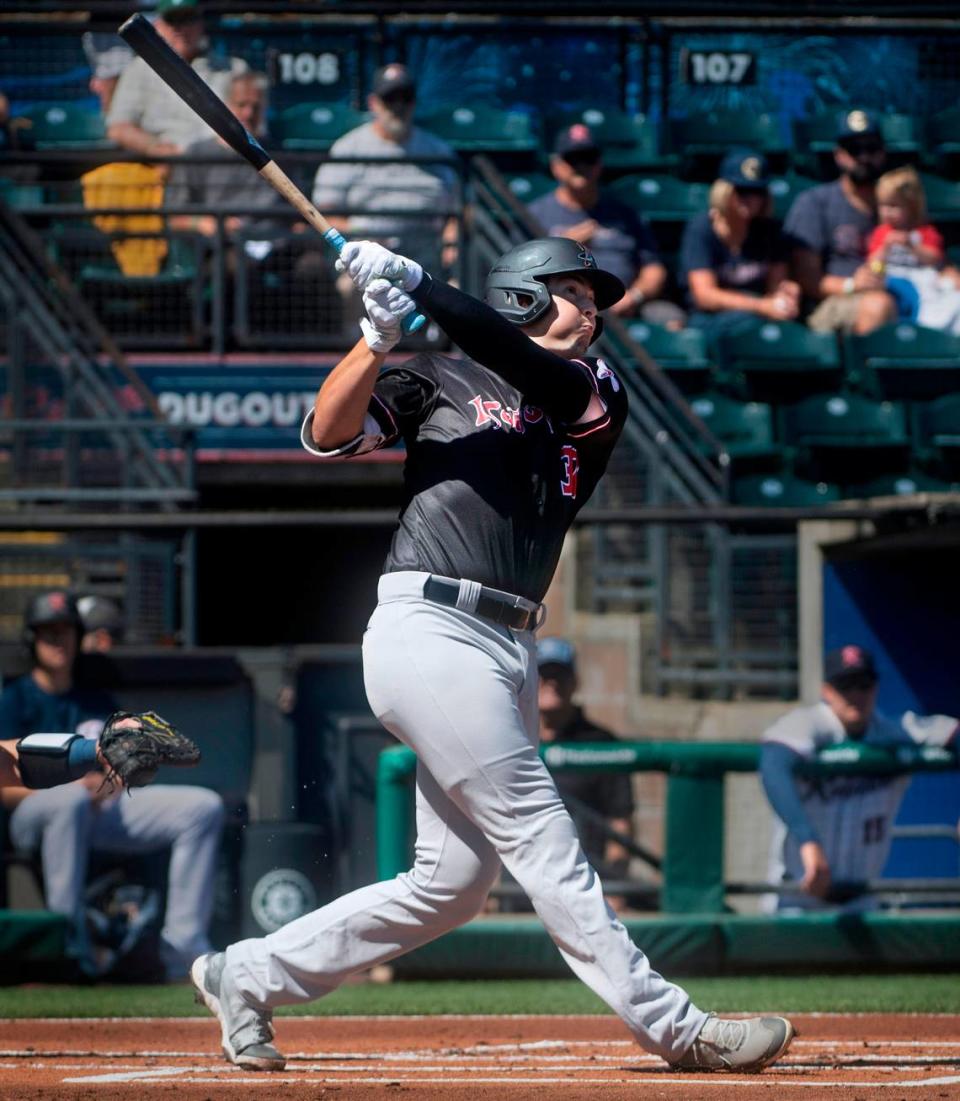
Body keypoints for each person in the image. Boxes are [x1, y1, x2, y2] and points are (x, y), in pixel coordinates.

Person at [189, 235, 794, 1074]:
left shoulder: (591, 388)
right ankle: (676, 1026)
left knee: (452, 885)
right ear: (523, 295)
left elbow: (524, 369)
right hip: (429, 627)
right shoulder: (438, 375)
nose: (594, 310)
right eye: (576, 292)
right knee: (541, 832)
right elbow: (325, 436)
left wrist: (424, 285)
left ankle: (246, 972)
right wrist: (374, 340)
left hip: (511, 642)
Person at [0, 590, 224, 979]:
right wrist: (66, 786)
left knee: (202, 807)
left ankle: (184, 950)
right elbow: (4, 783)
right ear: (32, 640)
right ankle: (69, 949)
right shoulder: (13, 698)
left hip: (101, 806)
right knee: (68, 801)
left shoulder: (93, 698)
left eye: (65, 631)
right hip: (33, 814)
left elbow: (119, 765)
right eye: (48, 632)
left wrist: (111, 777)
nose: (58, 640)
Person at [760, 644, 958, 912]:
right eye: (846, 685)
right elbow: (773, 763)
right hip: (797, 895)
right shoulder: (809, 723)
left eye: (863, 685)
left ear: (875, 688)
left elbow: (953, 732)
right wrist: (808, 840)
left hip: (861, 899)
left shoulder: (893, 730)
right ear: (827, 691)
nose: (855, 695)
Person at [311, 63, 459, 297]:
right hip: (367, 253)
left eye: (405, 98)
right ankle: (357, 334)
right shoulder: (348, 148)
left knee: (456, 289)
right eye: (390, 99)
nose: (398, 106)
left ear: (414, 102)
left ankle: (436, 335)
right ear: (373, 103)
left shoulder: (437, 150)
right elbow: (324, 214)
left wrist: (452, 245)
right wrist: (361, 231)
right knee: (349, 287)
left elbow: (456, 212)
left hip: (425, 252)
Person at [528, 124, 683, 328]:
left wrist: (634, 296)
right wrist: (564, 247)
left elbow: (654, 269)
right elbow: (521, 275)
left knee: (672, 319)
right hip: (561, 309)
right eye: (573, 159)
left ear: (599, 164)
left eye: (588, 158)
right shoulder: (535, 213)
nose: (581, 166)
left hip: (624, 308)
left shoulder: (625, 215)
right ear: (556, 166)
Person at [537, 637, 635, 911]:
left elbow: (620, 823)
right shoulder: (510, 737)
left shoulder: (602, 743)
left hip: (585, 889)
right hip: (518, 890)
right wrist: (489, 894)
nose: (551, 682)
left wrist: (615, 889)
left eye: (560, 675)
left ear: (575, 681)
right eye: (543, 674)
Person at [783, 109, 896, 335]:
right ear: (839, 155)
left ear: (883, 153)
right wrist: (853, 285)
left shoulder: (898, 203)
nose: (863, 157)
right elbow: (808, 279)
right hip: (831, 305)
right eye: (854, 150)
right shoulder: (814, 203)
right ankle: (863, 371)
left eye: (871, 148)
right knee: (878, 304)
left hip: (900, 294)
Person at [679, 149, 799, 344]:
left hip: (756, 319)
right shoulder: (702, 229)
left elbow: (776, 287)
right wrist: (761, 305)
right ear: (723, 191)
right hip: (711, 320)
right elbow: (705, 296)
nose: (749, 199)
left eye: (757, 191)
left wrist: (785, 297)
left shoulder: (771, 231)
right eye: (741, 191)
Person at [106, 0, 247, 157]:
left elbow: (250, 123)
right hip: (168, 166)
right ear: (158, 25)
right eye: (172, 20)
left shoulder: (235, 69)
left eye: (187, 19)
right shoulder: (138, 69)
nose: (180, 28)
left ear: (201, 23)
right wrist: (156, 149)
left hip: (223, 162)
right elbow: (118, 128)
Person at [866, 166, 960, 334]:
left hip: (925, 283)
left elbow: (934, 258)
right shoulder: (881, 233)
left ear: (911, 206)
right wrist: (885, 247)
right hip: (893, 282)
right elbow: (872, 263)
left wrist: (912, 246)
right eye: (883, 205)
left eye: (894, 206)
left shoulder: (924, 232)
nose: (887, 212)